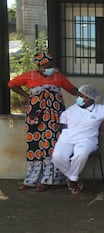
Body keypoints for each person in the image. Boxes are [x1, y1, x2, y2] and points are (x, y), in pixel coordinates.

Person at [8, 52, 79, 192]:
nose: (50, 67)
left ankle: (49, 180)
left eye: (51, 64)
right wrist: (26, 96)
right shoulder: (30, 75)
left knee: (51, 145)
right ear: (39, 66)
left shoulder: (59, 77)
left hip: (54, 116)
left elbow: (73, 90)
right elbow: (12, 84)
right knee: (35, 145)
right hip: (35, 116)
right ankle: (31, 180)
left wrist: (86, 95)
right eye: (47, 65)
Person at [51, 85, 104, 194]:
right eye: (78, 95)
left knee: (81, 154)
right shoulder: (71, 109)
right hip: (67, 137)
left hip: (87, 139)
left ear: (90, 98)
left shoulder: (101, 109)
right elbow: (63, 124)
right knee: (57, 157)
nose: (78, 98)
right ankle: (73, 178)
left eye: (81, 96)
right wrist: (67, 135)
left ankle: (72, 180)